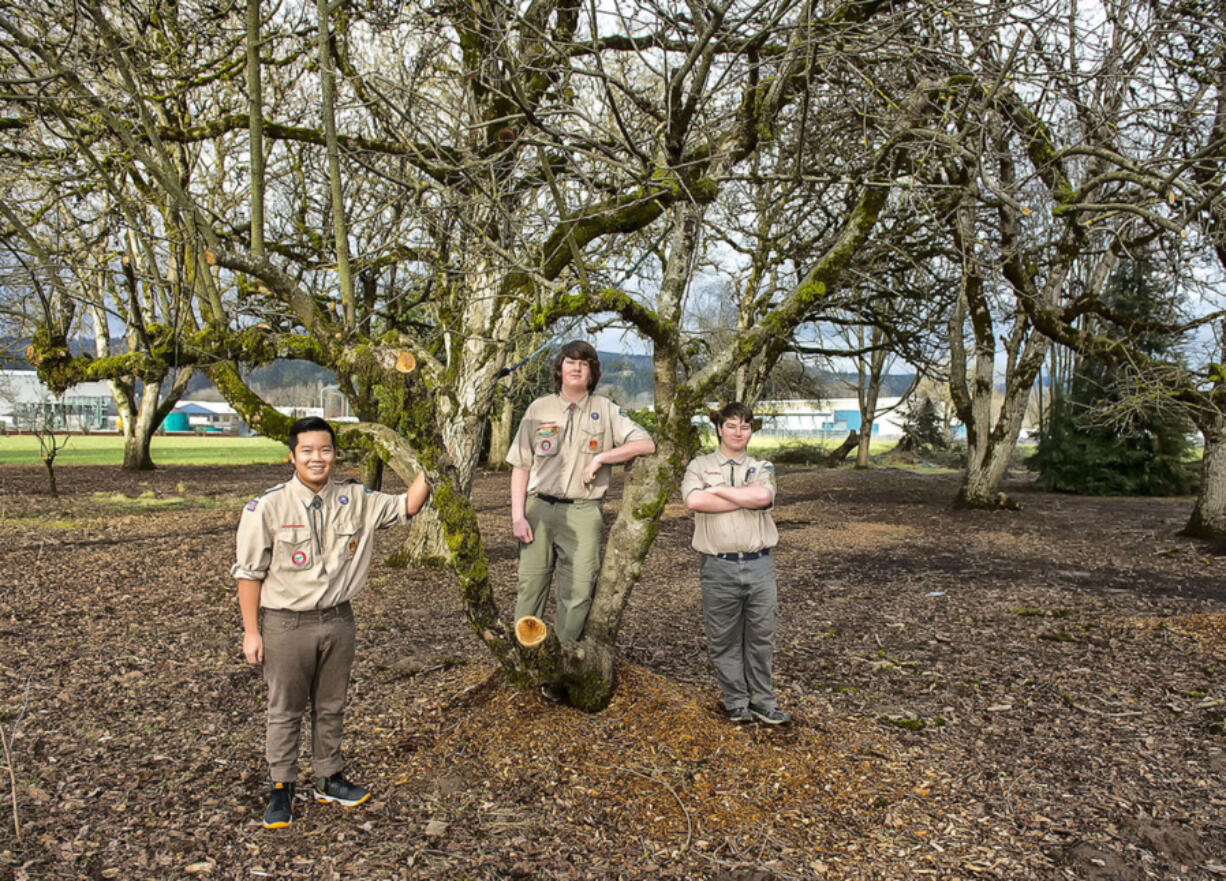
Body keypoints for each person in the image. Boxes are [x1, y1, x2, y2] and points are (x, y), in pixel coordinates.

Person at [233, 416, 429, 829]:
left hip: (338, 620)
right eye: (307, 451)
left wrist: (431, 468)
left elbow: (407, 505)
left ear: (335, 455)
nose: (317, 458)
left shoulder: (355, 499)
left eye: (325, 450)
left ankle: (328, 777)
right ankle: (281, 788)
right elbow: (248, 573)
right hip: (287, 624)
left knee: (330, 705)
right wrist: (251, 632)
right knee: (284, 708)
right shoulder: (267, 507)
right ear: (291, 456)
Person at [507, 341, 655, 699]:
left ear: (592, 373)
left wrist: (603, 456)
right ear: (560, 368)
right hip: (538, 509)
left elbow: (646, 443)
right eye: (570, 362)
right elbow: (520, 466)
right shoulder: (539, 408)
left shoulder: (605, 409)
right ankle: (521, 665)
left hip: (583, 510)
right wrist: (516, 516)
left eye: (584, 363)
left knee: (576, 594)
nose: (576, 368)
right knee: (531, 588)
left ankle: (558, 672)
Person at [681, 402, 790, 725]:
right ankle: (736, 701)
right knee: (724, 638)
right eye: (731, 425)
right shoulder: (699, 465)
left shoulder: (762, 466)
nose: (738, 432)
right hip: (718, 566)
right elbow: (694, 500)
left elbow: (763, 499)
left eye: (744, 426)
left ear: (751, 430)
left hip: (759, 566)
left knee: (761, 637)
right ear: (719, 428)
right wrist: (741, 493)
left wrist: (718, 491)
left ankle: (762, 701)